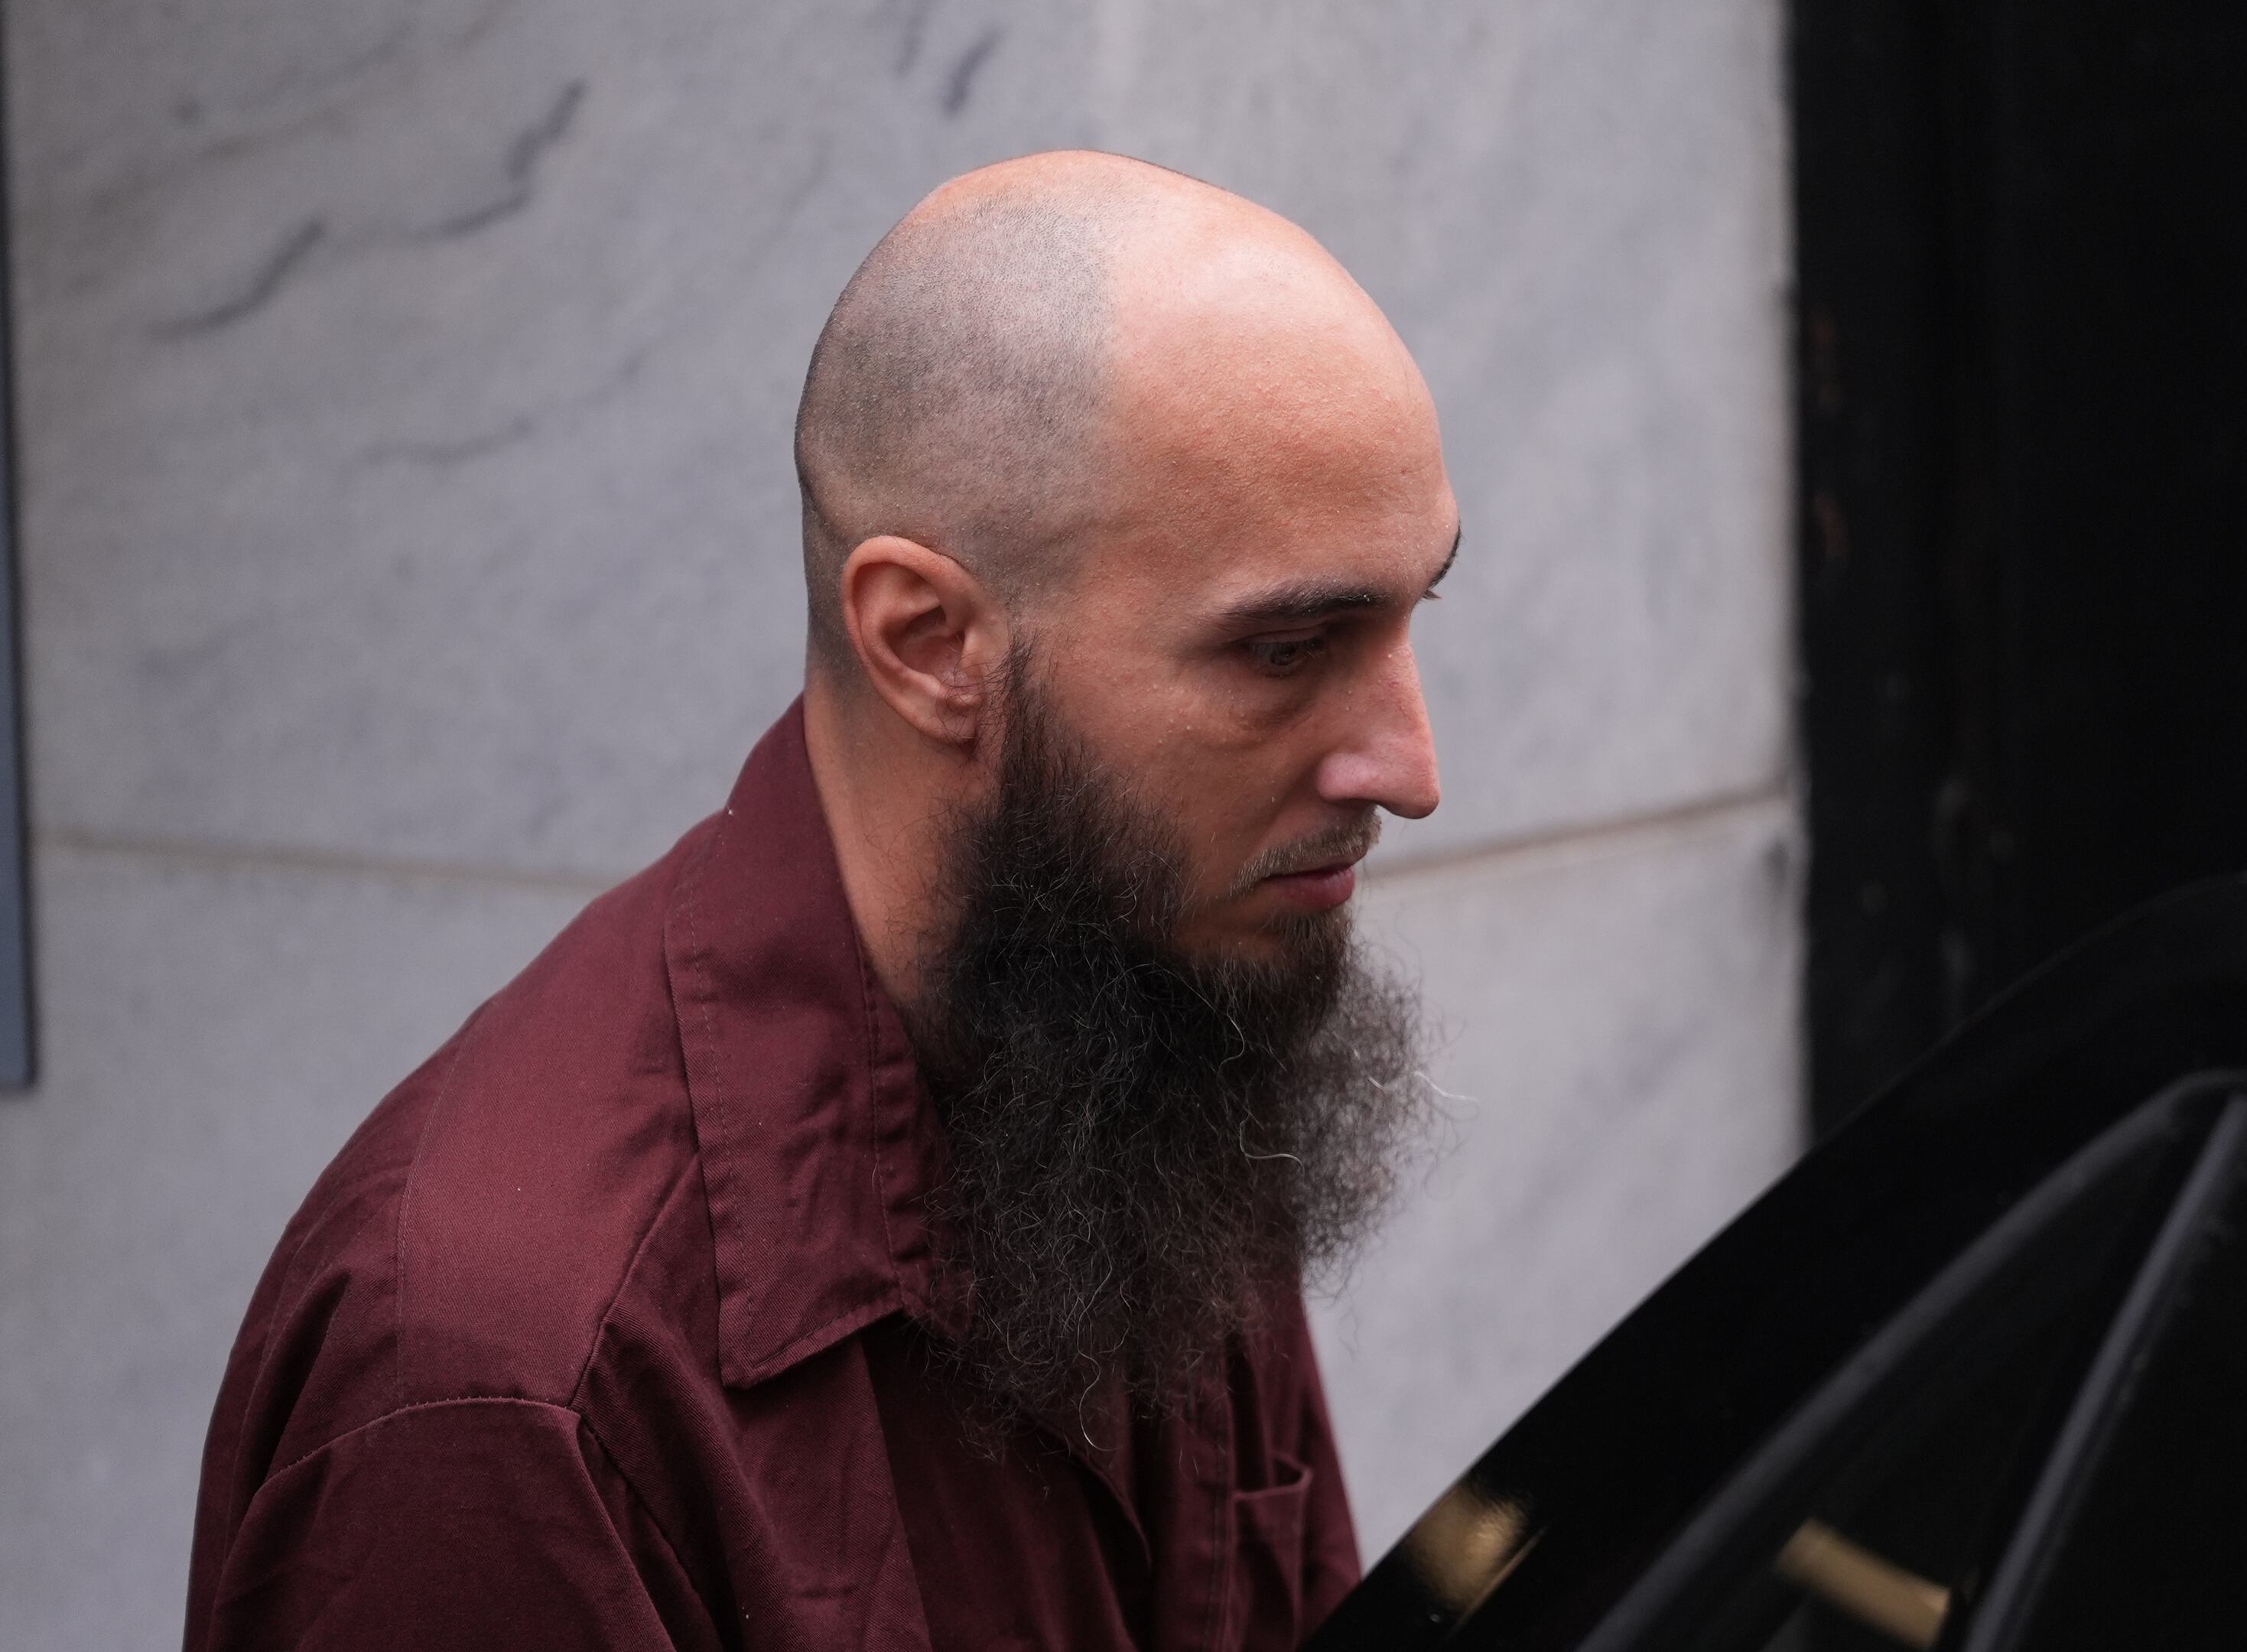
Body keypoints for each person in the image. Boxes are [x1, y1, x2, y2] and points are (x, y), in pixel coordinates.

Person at [182, 151, 1455, 1651]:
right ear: (929, 645)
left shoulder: (1153, 1023)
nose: (1412, 769)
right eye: (1288, 650)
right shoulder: (505, 1389)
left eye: (1412, 613)